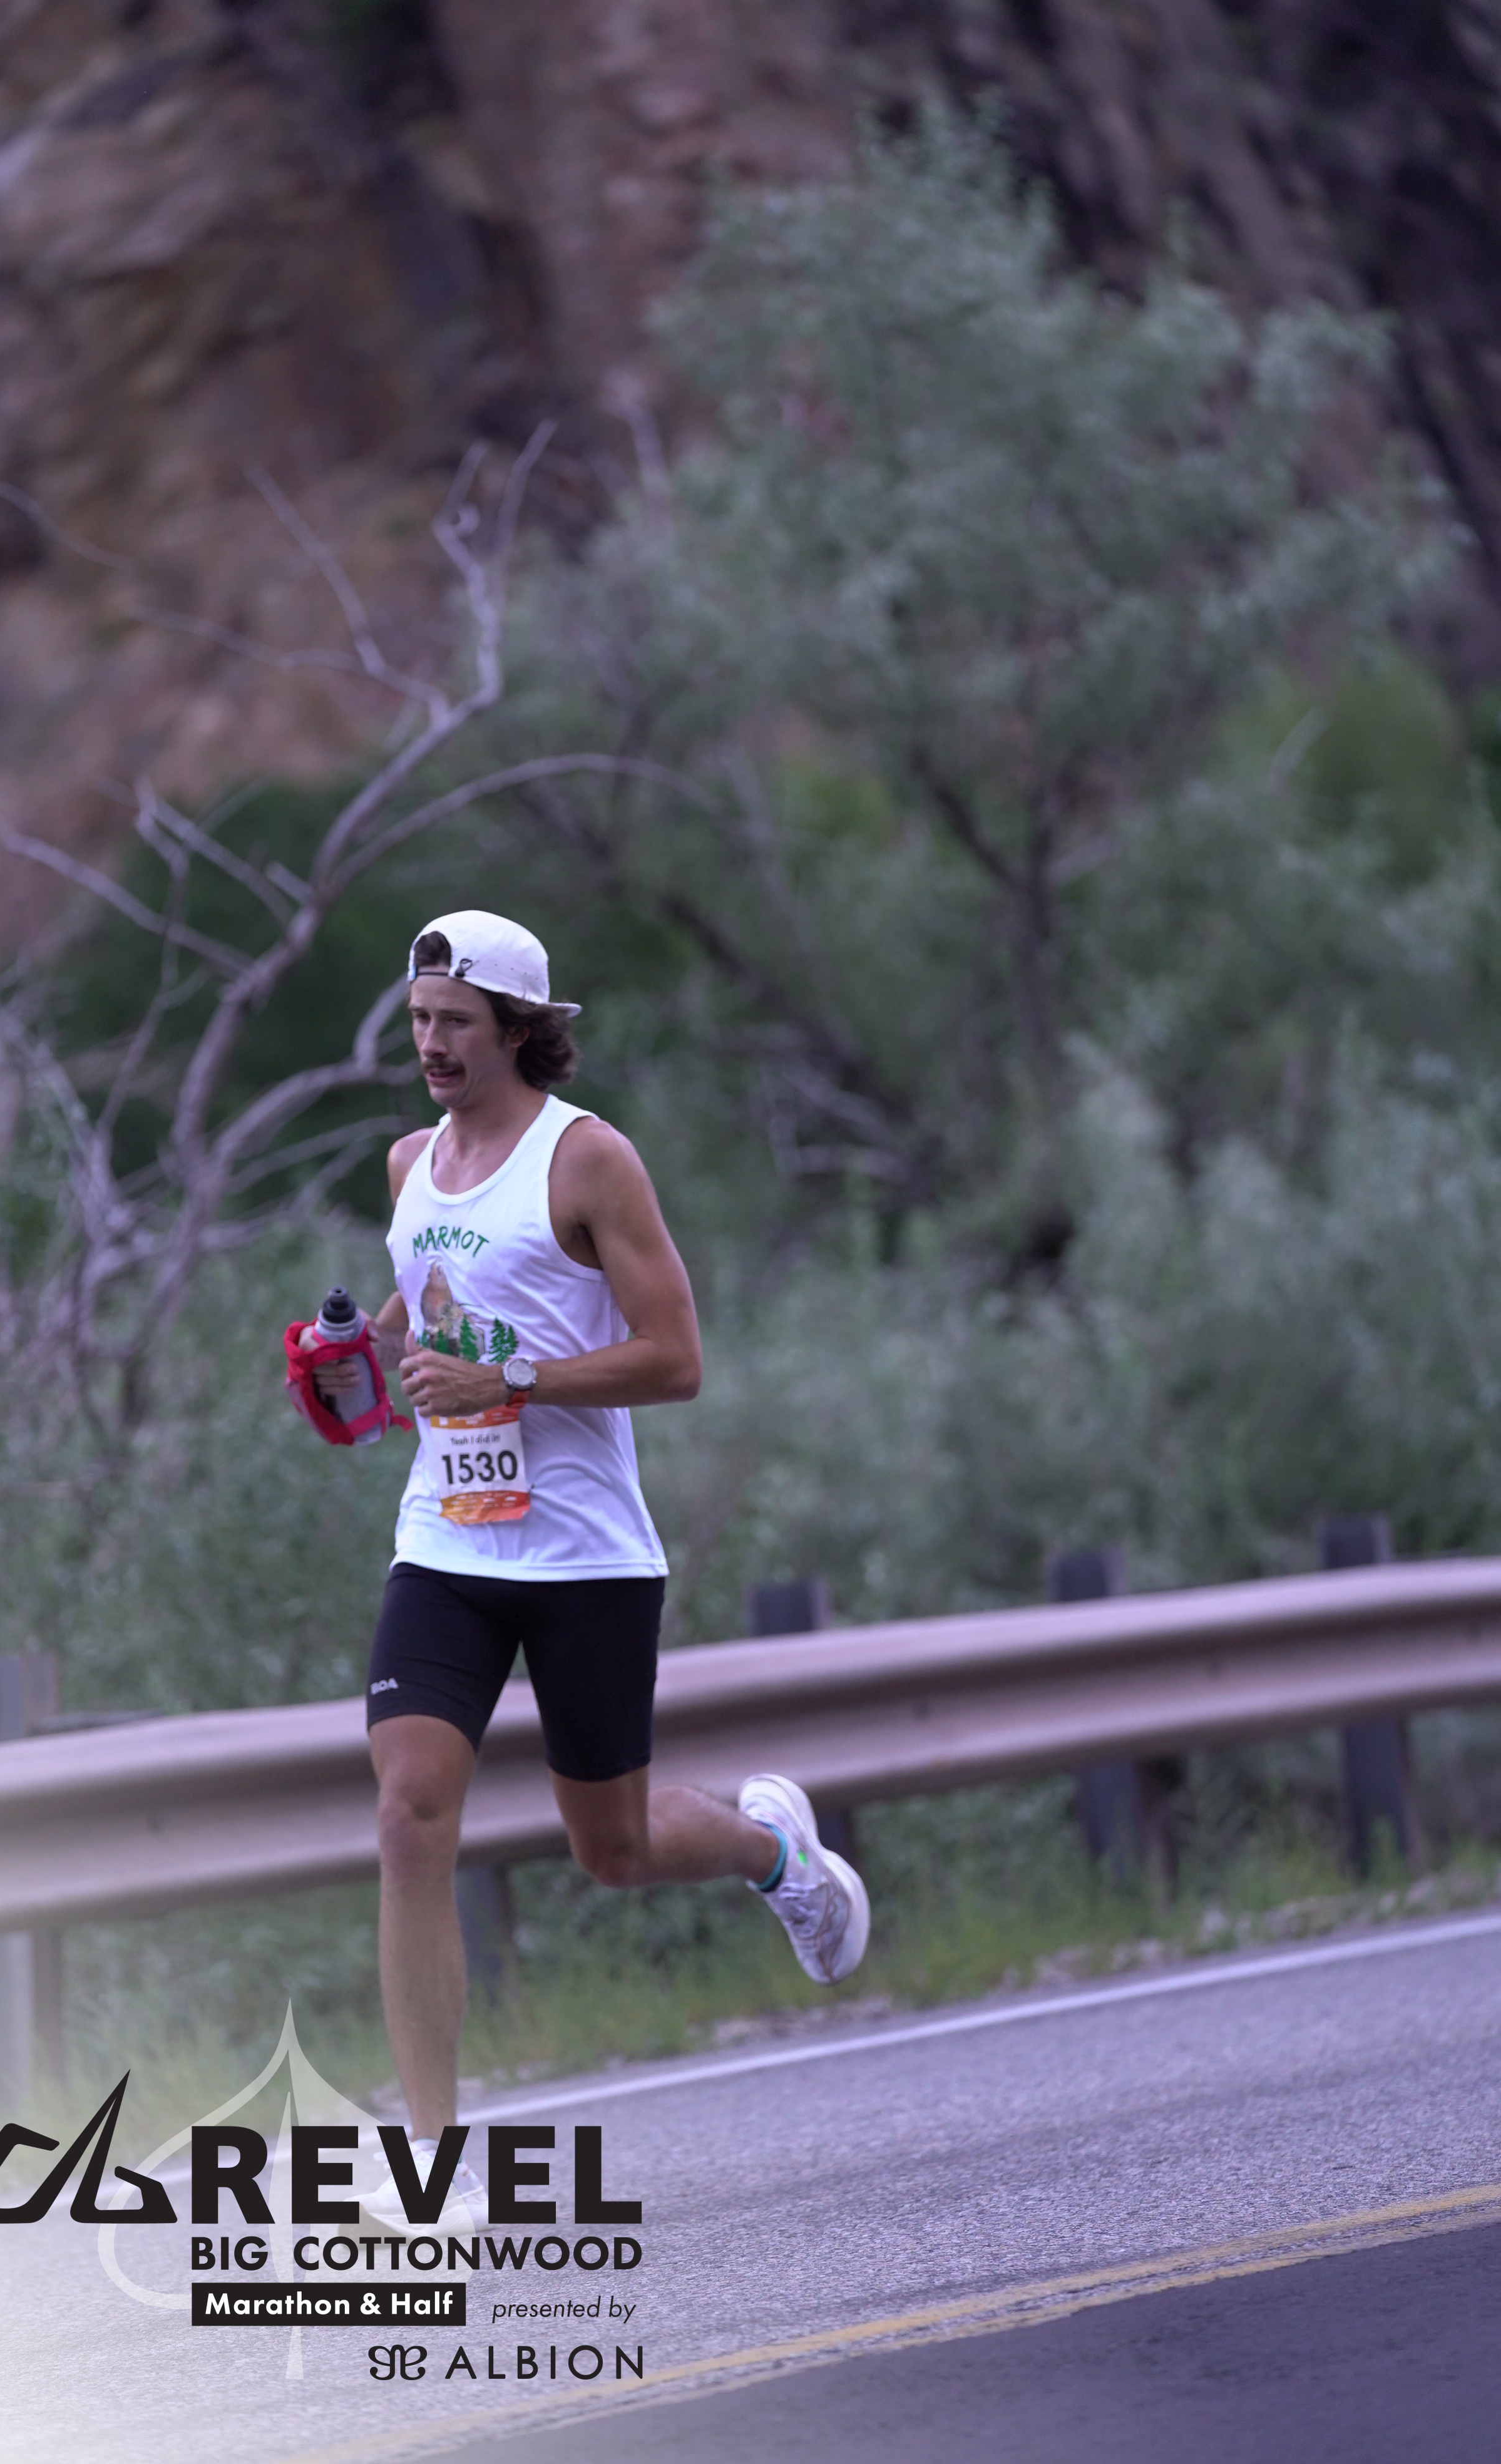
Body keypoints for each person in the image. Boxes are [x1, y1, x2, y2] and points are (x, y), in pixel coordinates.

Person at [304, 909, 868, 2230]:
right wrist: (354, 1361)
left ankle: (774, 1852)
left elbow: (677, 1360)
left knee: (609, 1850)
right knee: (408, 1819)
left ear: (518, 1028)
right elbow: (423, 1314)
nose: (431, 1044)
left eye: (455, 1022)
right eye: (419, 1019)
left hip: (584, 1558)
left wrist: (509, 1379)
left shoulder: (589, 1159)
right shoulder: (409, 1164)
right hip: (446, 1543)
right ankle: (430, 2162)